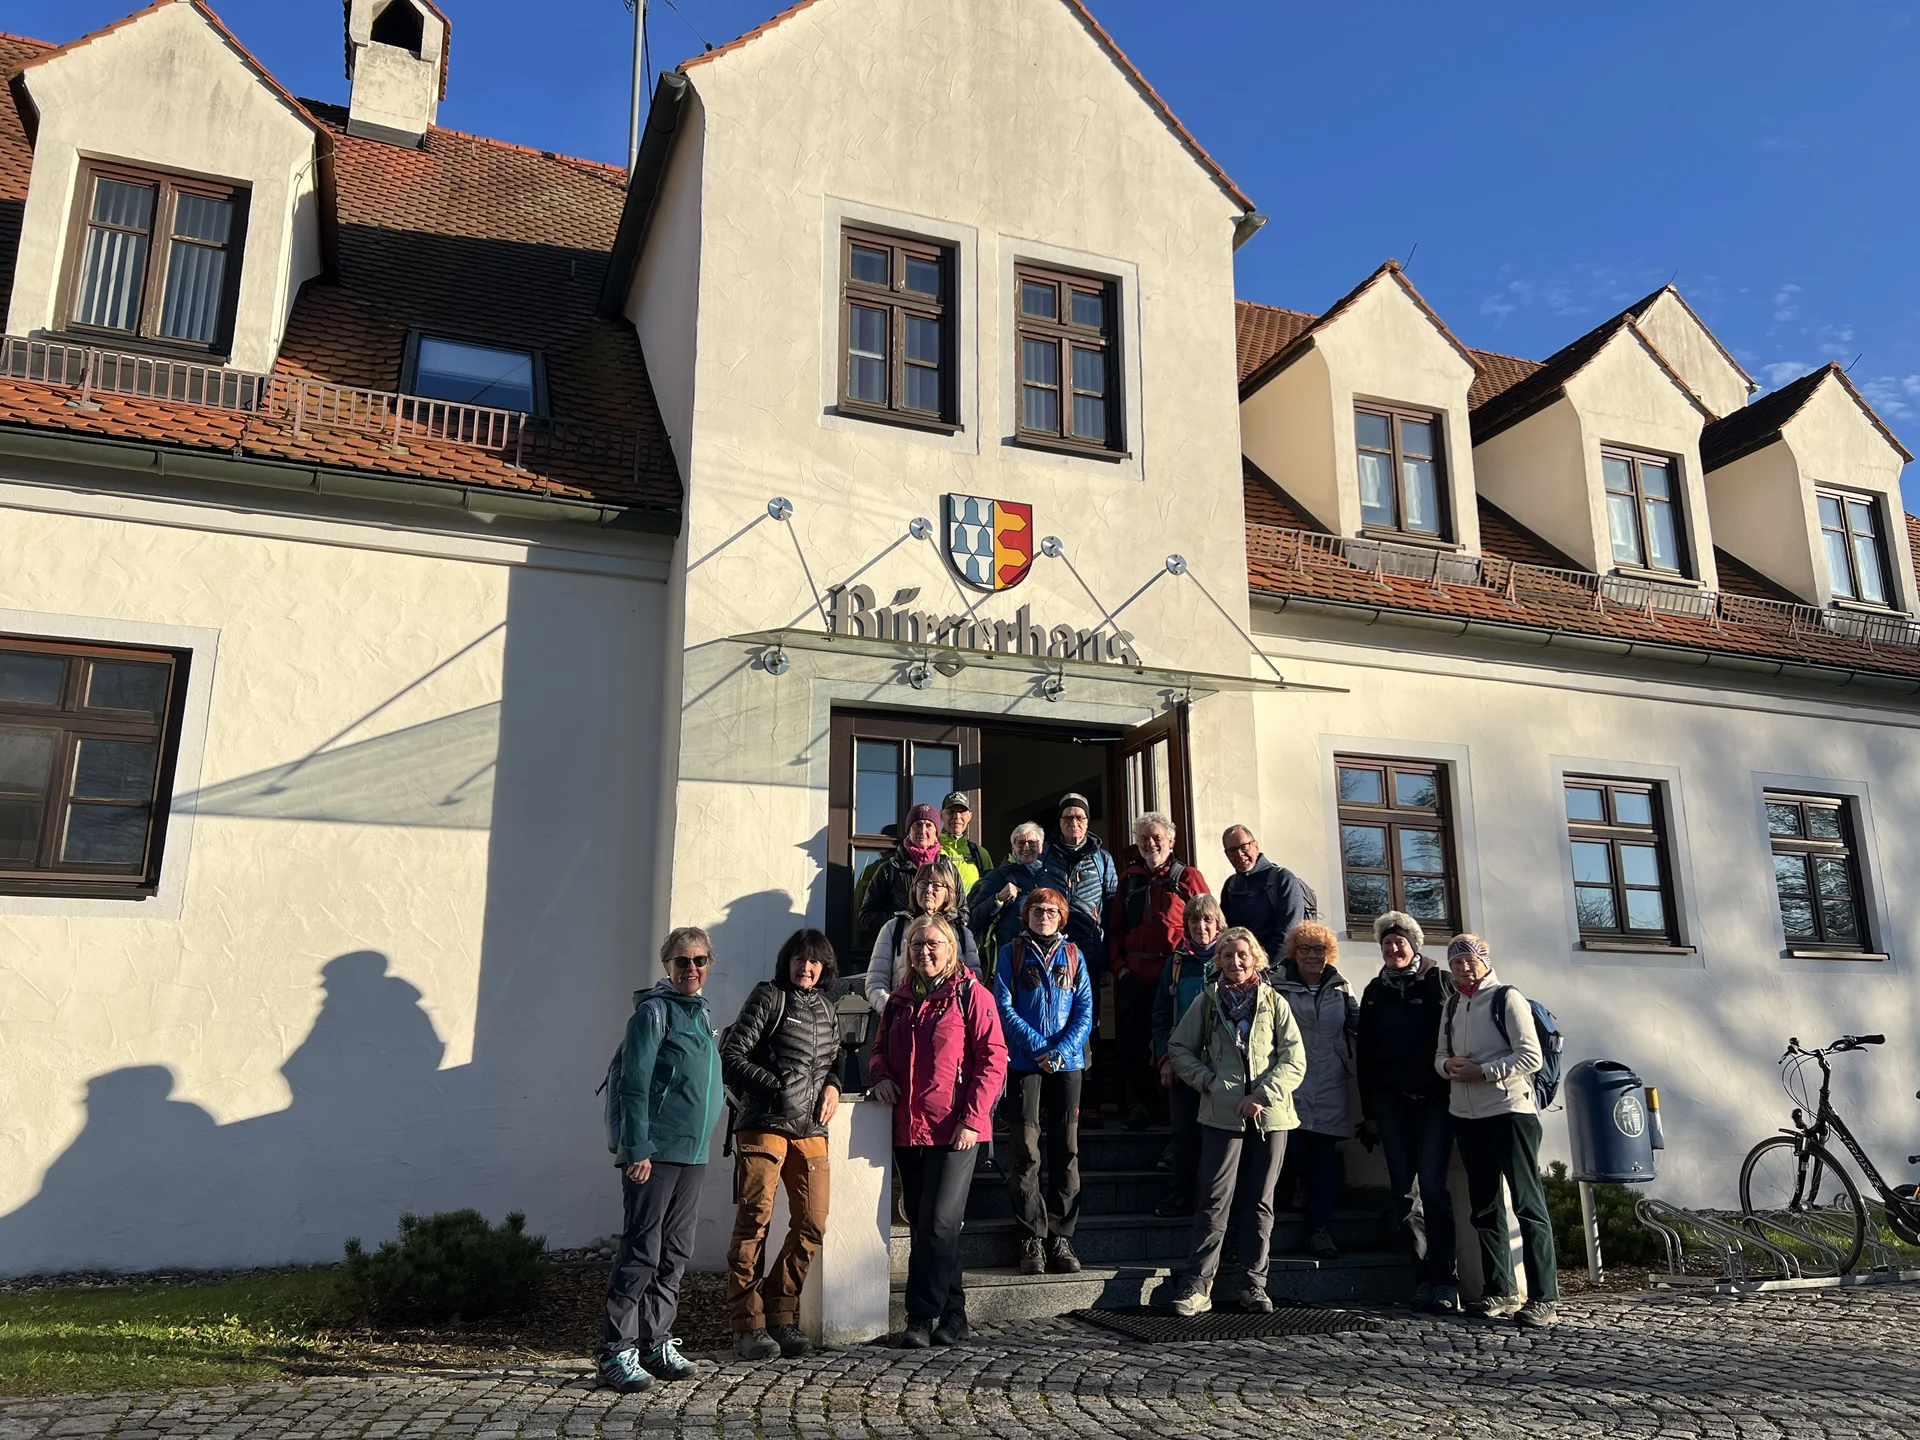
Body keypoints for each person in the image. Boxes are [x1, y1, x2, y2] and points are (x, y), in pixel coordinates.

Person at [868, 915, 1008, 1349]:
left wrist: (973, 1117)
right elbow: (878, 1053)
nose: (924, 952)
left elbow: (993, 1059)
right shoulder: (899, 1001)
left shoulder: (971, 994)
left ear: (951, 948)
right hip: (910, 1129)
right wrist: (879, 1078)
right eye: (916, 946)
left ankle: (919, 1317)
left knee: (941, 1223)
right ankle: (955, 1314)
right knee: (928, 1223)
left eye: (933, 944)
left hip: (957, 1129)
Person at [600, 927, 723, 1393]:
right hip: (655, 1156)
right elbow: (633, 1086)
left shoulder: (701, 1014)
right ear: (666, 966)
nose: (691, 969)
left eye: (699, 961)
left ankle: (656, 1342)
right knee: (641, 1250)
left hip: (692, 1156)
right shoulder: (653, 1014)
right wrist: (636, 1150)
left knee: (674, 1252)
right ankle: (616, 1351)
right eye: (681, 961)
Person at [1161, 927, 1305, 1316]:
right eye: (1227, 956)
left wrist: (1262, 1095)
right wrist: (1208, 1080)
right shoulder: (1207, 1002)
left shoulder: (1275, 1003)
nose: (1235, 962)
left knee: (1260, 1204)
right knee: (1213, 1201)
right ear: (1218, 962)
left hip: (1271, 1118)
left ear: (1255, 959)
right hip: (1221, 1116)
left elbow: (1294, 1060)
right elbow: (1178, 1047)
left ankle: (1254, 1285)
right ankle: (1197, 1286)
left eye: (1242, 955)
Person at [721, 929, 843, 1362]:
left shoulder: (829, 1009)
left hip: (811, 1127)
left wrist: (833, 1085)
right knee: (755, 1221)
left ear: (824, 967)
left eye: (813, 961)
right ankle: (748, 1325)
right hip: (764, 1124)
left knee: (813, 1223)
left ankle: (781, 1314)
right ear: (786, 960)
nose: (804, 967)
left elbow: (834, 1061)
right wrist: (777, 1086)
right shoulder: (768, 996)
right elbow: (732, 1055)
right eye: (797, 958)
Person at [1436, 934, 1558, 1329]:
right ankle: (1499, 1288)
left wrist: (1484, 1072)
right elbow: (1439, 1054)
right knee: (1484, 1206)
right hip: (1466, 1114)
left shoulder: (1507, 999)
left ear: (1485, 962)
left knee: (1527, 1204)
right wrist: (1448, 1067)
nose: (1463, 969)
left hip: (1509, 1111)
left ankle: (1544, 1297)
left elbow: (1531, 1056)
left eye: (1470, 961)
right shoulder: (1452, 1002)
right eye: (1456, 964)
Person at [1355, 911, 1458, 1313]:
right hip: (1389, 1103)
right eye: (1386, 943)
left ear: (1414, 945)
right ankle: (1423, 1278)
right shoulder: (1374, 991)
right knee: (1403, 1192)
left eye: (1399, 942)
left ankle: (1445, 1279)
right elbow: (1365, 1055)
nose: (1392, 948)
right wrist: (1369, 1112)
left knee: (1432, 1186)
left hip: (1436, 1102)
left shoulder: (1439, 981)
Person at [989, 887, 1093, 1276]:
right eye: (1037, 910)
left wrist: (1061, 1052)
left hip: (1067, 1064)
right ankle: (1032, 1234)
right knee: (1025, 1151)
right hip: (1024, 1062)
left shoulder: (1074, 954)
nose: (1044, 915)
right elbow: (1003, 1006)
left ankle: (1062, 1235)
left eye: (1051, 910)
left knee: (1066, 1150)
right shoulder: (1009, 953)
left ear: (1062, 917)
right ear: (1026, 914)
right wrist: (1037, 1048)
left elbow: (1084, 1010)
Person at [1108, 811, 1209, 1130]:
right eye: (1143, 839)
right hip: (1135, 973)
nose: (1150, 843)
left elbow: (1209, 920)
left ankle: (1176, 1110)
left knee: (1180, 1041)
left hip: (1176, 971)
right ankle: (1145, 1104)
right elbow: (1114, 929)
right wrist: (1119, 967)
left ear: (1171, 841)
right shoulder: (1129, 879)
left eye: (1156, 838)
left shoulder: (1187, 876)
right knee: (1131, 1044)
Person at [1273, 921, 1358, 1260]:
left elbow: (1358, 1023)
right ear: (1294, 952)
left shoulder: (1340, 986)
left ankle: (1320, 1230)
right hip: (1289, 1080)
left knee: (1324, 1157)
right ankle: (1295, 1189)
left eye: (1319, 949)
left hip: (1330, 1081)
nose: (1312, 955)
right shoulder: (1277, 984)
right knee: (1290, 1147)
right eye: (1305, 949)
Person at [1149, 892, 1224, 1217]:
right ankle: (1181, 1194)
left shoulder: (1230, 960)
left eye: (1207, 919)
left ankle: (1214, 1201)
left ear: (1218, 924)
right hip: (1184, 1064)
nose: (1201, 926)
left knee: (1217, 1136)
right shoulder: (1176, 963)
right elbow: (1162, 1016)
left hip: (1223, 1066)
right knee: (1184, 1132)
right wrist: (1165, 1059)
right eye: (1194, 920)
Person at [865, 859, 982, 1013]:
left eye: (936, 885)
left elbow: (974, 984)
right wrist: (892, 1012)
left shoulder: (962, 933)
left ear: (948, 893)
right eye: (923, 883)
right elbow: (875, 982)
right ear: (914, 889)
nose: (928, 889)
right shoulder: (893, 928)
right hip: (903, 1021)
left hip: (949, 1024)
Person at [857, 803, 944, 946]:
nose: (923, 830)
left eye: (929, 825)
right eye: (917, 824)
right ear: (908, 831)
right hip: (900, 951)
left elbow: (962, 912)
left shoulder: (948, 868)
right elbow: (866, 916)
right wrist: (901, 920)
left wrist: (940, 920)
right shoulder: (889, 869)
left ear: (936, 834)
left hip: (941, 951)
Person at [1219, 827, 1309, 962]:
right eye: (1232, 850)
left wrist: (1261, 966)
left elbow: (1289, 933)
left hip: (1279, 972)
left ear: (1256, 845)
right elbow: (1225, 933)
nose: (1239, 854)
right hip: (1241, 970)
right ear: (1226, 854)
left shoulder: (1282, 879)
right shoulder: (1231, 885)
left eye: (1244, 847)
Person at [968, 822, 1051, 959]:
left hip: (1045, 957)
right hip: (1011, 959)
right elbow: (972, 919)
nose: (1026, 847)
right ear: (1013, 847)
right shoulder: (998, 877)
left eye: (1032, 843)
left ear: (1041, 847)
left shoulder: (1050, 880)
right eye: (1020, 843)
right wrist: (998, 899)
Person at [937, 791, 992, 898]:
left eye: (962, 812)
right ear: (941, 815)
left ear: (970, 816)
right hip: (941, 913)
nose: (957, 817)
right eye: (951, 812)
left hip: (972, 913)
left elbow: (990, 889)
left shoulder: (980, 853)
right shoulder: (933, 849)